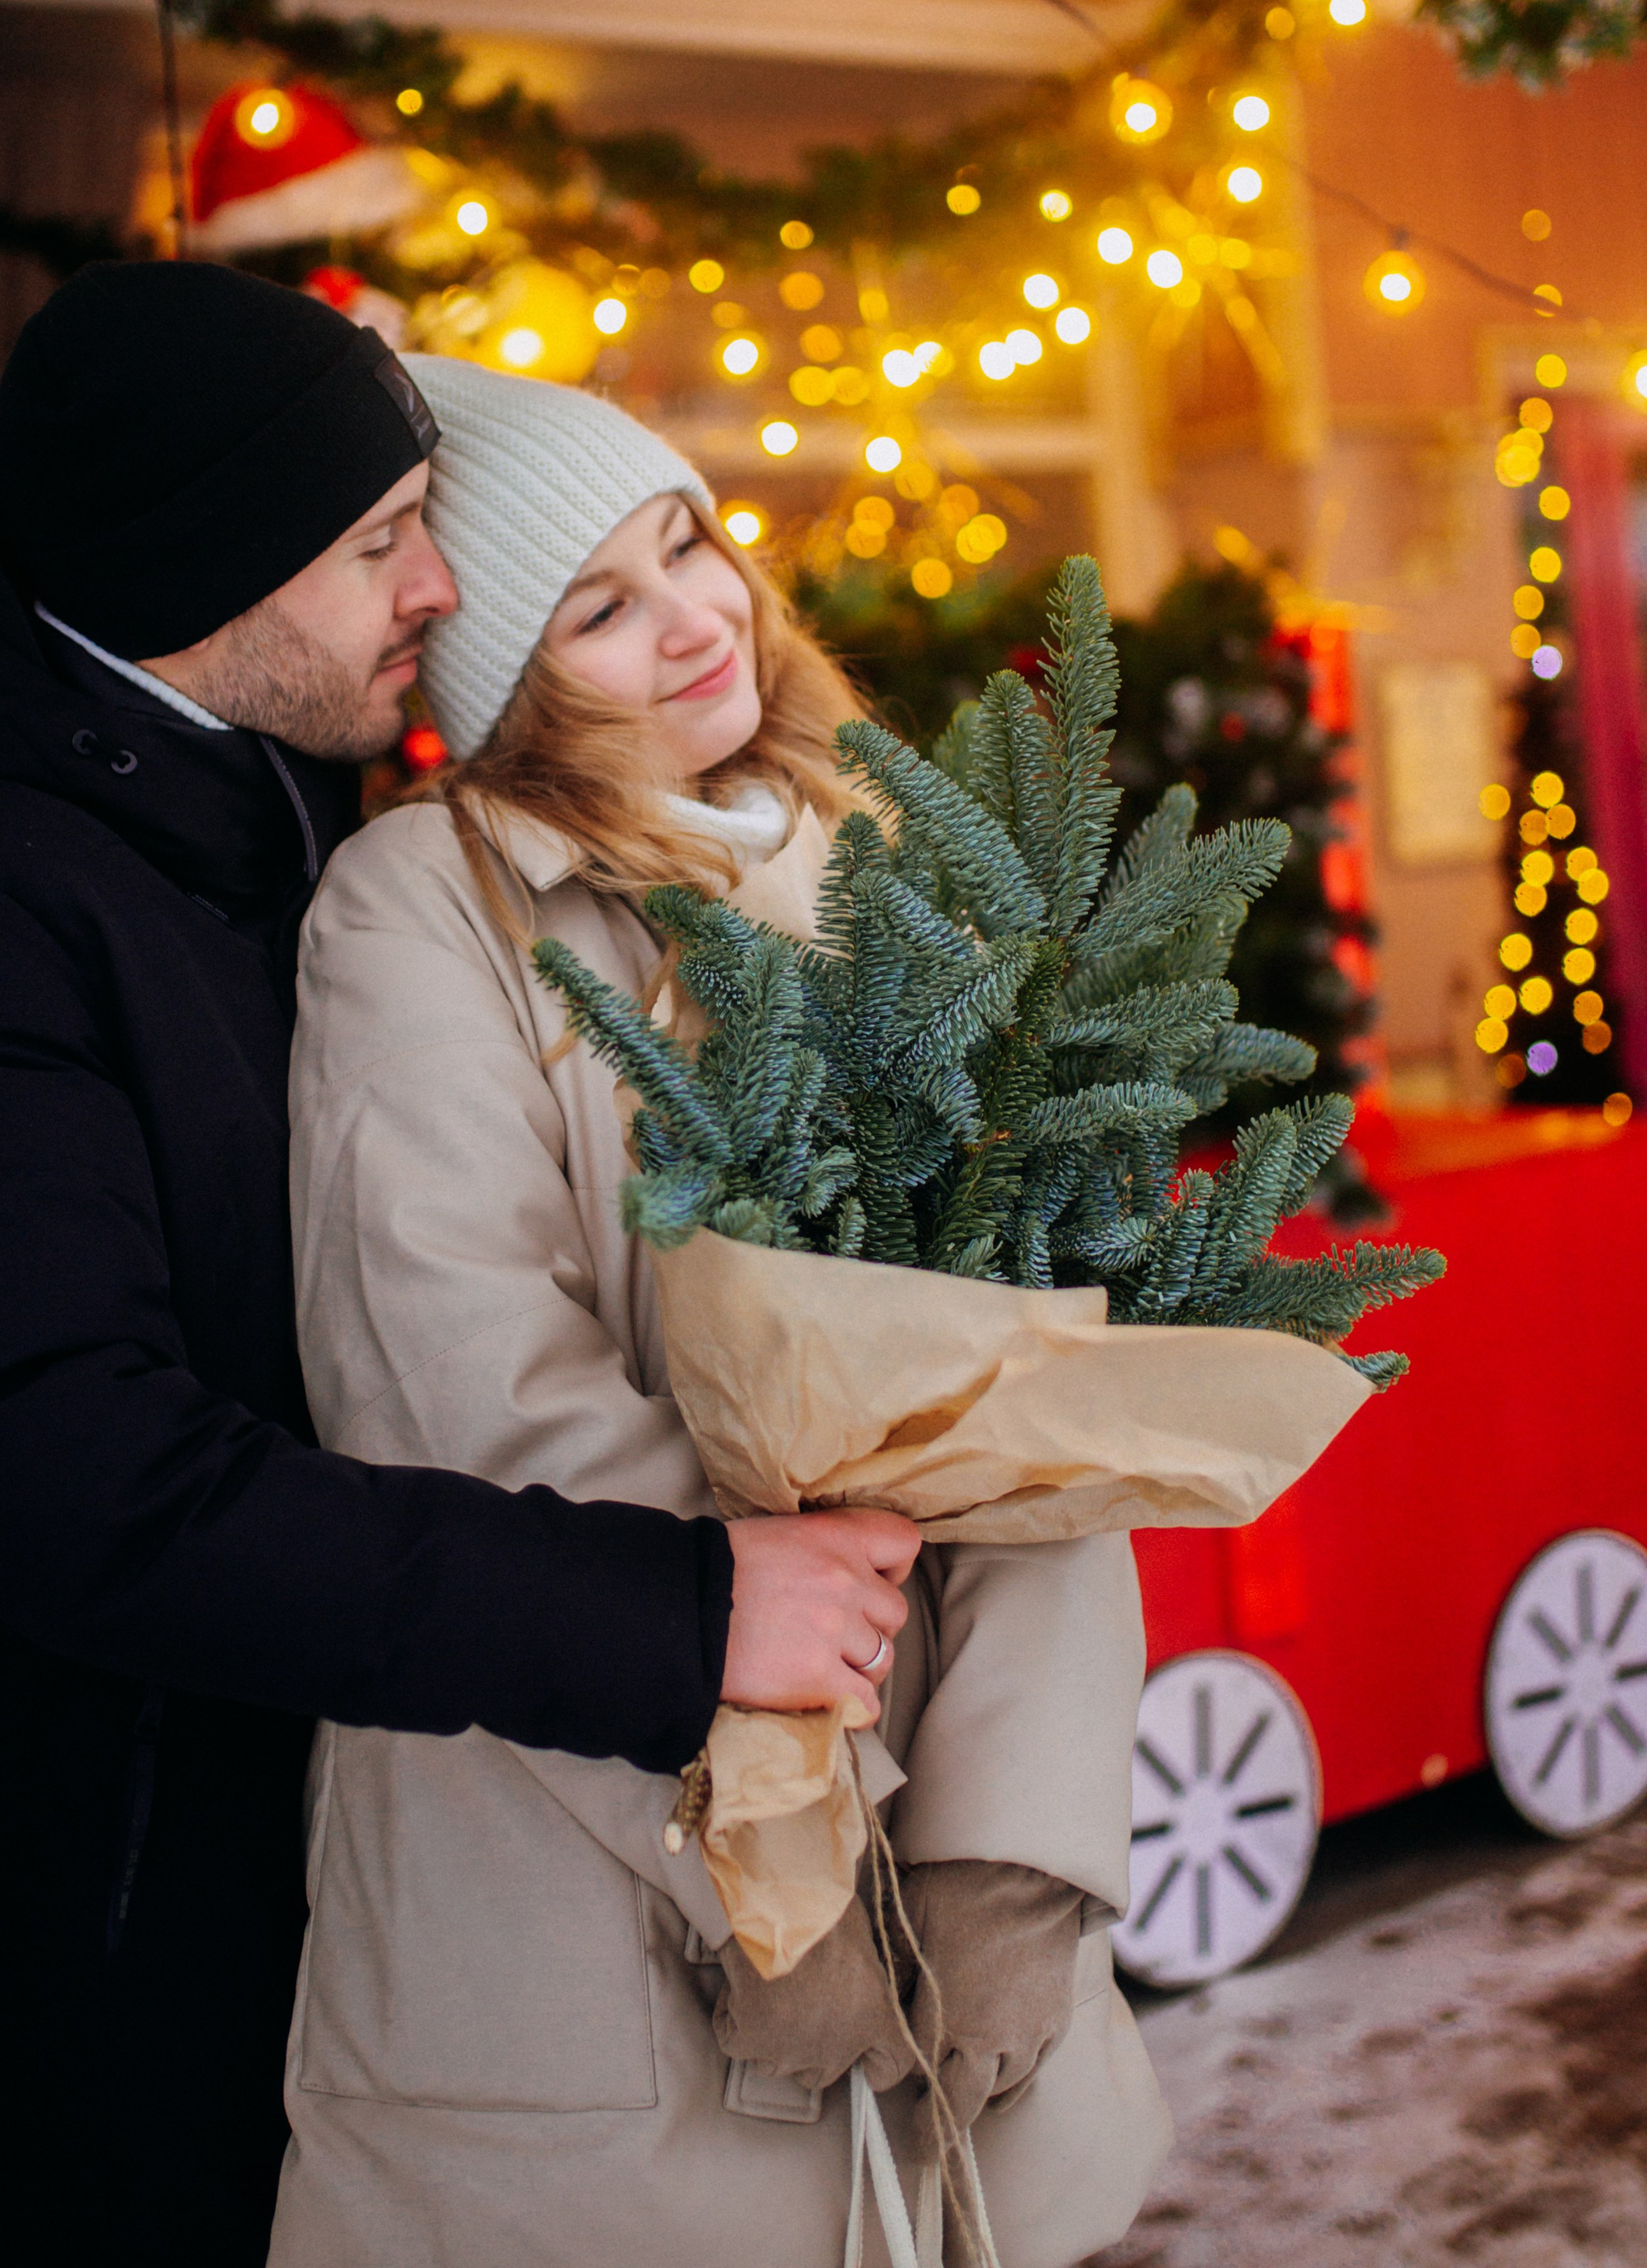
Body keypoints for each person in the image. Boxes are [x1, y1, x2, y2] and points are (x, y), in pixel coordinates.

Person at [0, 264, 916, 2268]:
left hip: (350, 1903)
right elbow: (71, 1476)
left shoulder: (255, 819)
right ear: (215, 571)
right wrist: (679, 1609)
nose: (436, 593)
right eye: (382, 544)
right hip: (103, 1996)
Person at [271, 359, 1172, 2268]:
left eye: (686, 545)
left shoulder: (883, 865)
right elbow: (464, 1388)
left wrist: (1009, 1846)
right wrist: (776, 1837)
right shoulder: (421, 912)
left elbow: (1038, 1369)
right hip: (586, 1894)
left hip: (937, 1875)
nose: (693, 620)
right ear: (502, 681)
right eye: (596, 608)